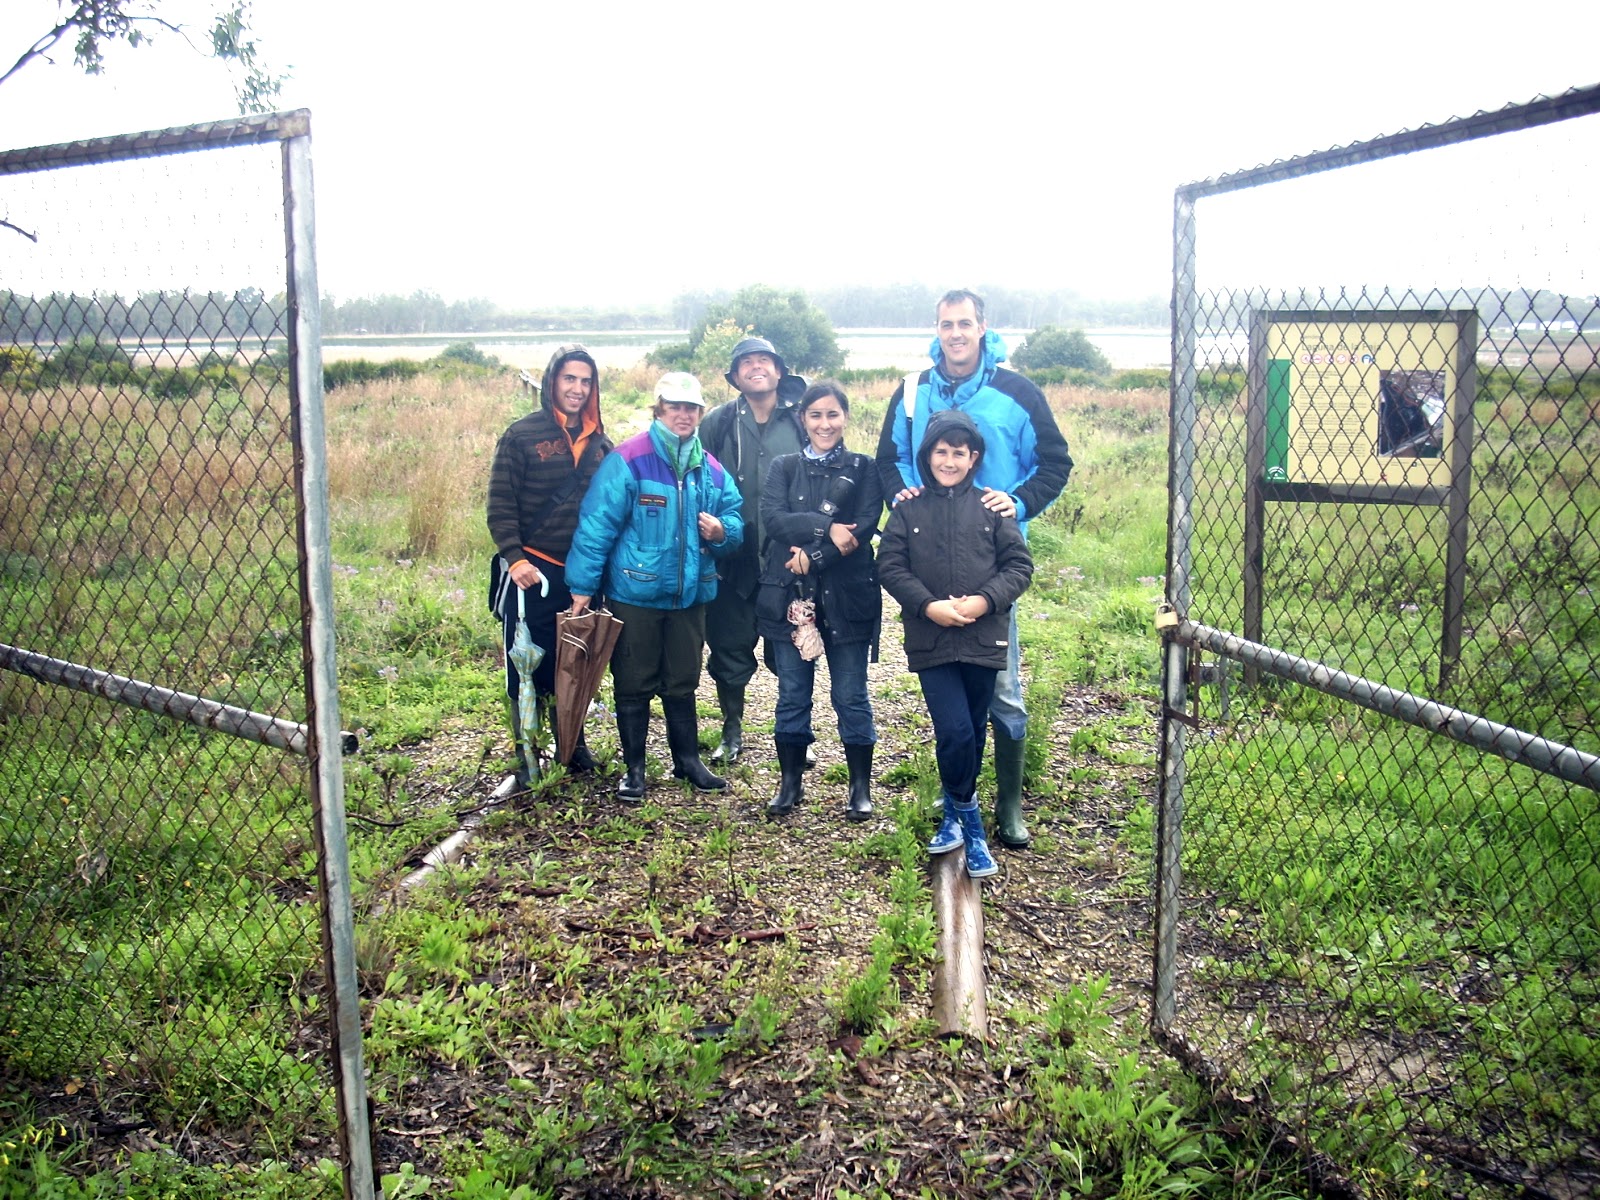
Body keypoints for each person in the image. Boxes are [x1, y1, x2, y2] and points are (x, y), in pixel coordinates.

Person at [875, 288, 1072, 850]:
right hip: (928, 560)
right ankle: (956, 792)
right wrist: (901, 499)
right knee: (946, 681)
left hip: (993, 566)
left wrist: (1020, 502)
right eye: (945, 324)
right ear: (935, 330)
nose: (955, 333)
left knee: (1001, 686)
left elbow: (1054, 461)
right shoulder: (912, 391)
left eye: (965, 323)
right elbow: (887, 459)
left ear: (983, 327)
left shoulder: (1016, 391)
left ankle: (1007, 802)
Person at [565, 372, 744, 801]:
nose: (683, 415)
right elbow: (596, 526)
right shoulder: (628, 460)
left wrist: (722, 531)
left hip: (690, 595)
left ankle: (687, 762)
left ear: (701, 413)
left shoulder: (712, 468)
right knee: (634, 680)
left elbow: (736, 521)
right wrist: (582, 587)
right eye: (674, 406)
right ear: (659, 410)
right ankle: (635, 769)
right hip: (635, 595)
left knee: (683, 679)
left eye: (691, 408)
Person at [877, 410, 1033, 878]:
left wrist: (985, 602)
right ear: (928, 455)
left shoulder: (992, 507)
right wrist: (928, 607)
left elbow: (1019, 567)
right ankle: (971, 821)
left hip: (984, 638)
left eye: (958, 453)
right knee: (955, 730)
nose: (949, 460)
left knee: (973, 725)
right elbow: (889, 566)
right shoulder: (908, 508)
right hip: (933, 638)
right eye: (940, 451)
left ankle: (954, 808)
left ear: (973, 458)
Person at [756, 381, 883, 821]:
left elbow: (863, 527)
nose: (824, 423)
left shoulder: (865, 468)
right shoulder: (783, 467)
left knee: (851, 695)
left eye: (833, 414)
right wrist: (825, 529)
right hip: (792, 602)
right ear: (802, 419)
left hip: (847, 599)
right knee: (792, 694)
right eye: (815, 415)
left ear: (845, 417)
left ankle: (859, 787)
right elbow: (773, 519)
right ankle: (790, 783)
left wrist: (811, 554)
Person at [486, 343, 612, 782]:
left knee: (574, 661)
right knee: (527, 664)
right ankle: (526, 751)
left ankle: (571, 744)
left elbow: (610, 509)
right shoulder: (521, 435)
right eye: (569, 379)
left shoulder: (601, 444)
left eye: (585, 381)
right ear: (552, 382)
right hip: (532, 571)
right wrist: (514, 558)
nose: (577, 389)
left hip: (581, 573)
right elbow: (500, 504)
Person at [698, 335, 808, 764]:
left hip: (788, 557)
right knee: (728, 646)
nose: (756, 367)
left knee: (792, 649)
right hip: (732, 555)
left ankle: (796, 731)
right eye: (746, 362)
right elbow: (699, 477)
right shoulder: (719, 422)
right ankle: (732, 729)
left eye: (764, 359)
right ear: (735, 376)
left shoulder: (801, 420)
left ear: (779, 370)